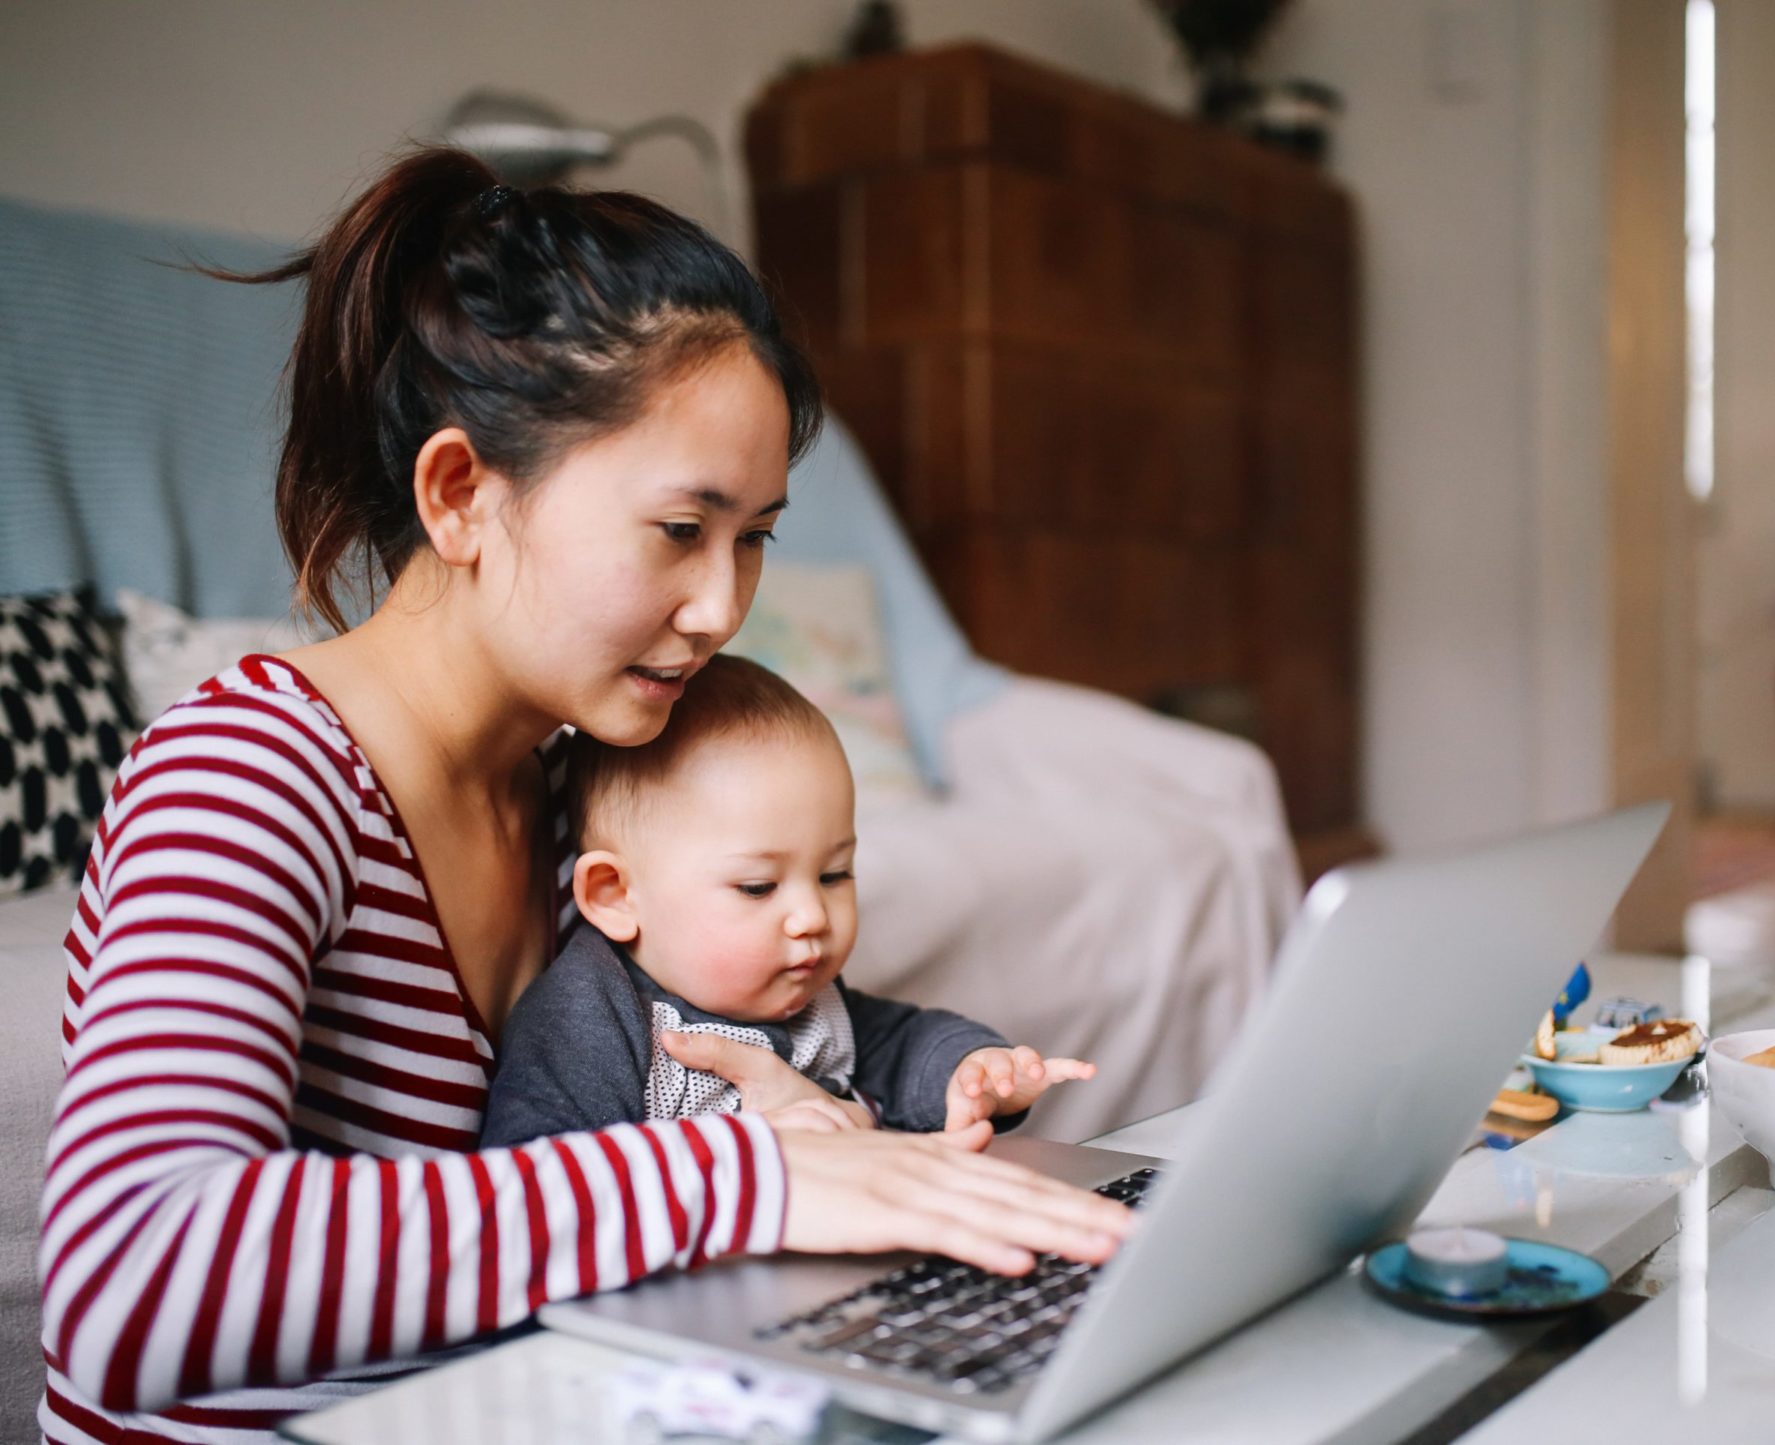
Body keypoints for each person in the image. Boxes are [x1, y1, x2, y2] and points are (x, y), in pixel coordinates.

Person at [37, 150, 1133, 1445]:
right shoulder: (246, 779)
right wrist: (736, 1176)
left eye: (757, 537)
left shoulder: (589, 802)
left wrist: (813, 1119)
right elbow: (129, 1277)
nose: (725, 609)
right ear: (459, 494)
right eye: (681, 529)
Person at [480, 655, 1095, 1149]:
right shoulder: (591, 1018)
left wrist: (973, 1070)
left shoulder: (808, 999)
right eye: (757, 887)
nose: (812, 918)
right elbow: (544, 1182)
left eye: (834, 874)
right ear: (615, 896)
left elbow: (904, 1043)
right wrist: (739, 1153)